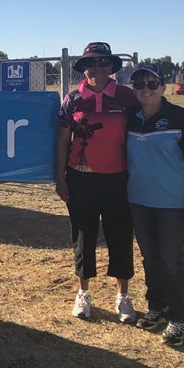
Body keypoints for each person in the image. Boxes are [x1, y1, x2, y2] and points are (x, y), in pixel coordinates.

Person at [55, 42, 138, 322]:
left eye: (103, 62)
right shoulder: (72, 99)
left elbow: (155, 115)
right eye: (90, 63)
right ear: (83, 68)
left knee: (120, 236)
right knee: (83, 237)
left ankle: (123, 297)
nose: (97, 68)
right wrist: (60, 179)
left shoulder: (127, 97)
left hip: (119, 179)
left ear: (111, 66)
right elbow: (62, 142)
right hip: (81, 179)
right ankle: (83, 293)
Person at [126, 64, 184, 347]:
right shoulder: (129, 117)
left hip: (172, 202)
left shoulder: (179, 117)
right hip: (138, 200)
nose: (145, 89)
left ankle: (178, 317)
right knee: (151, 258)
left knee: (172, 260)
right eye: (139, 84)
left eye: (152, 83)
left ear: (163, 87)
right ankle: (156, 307)